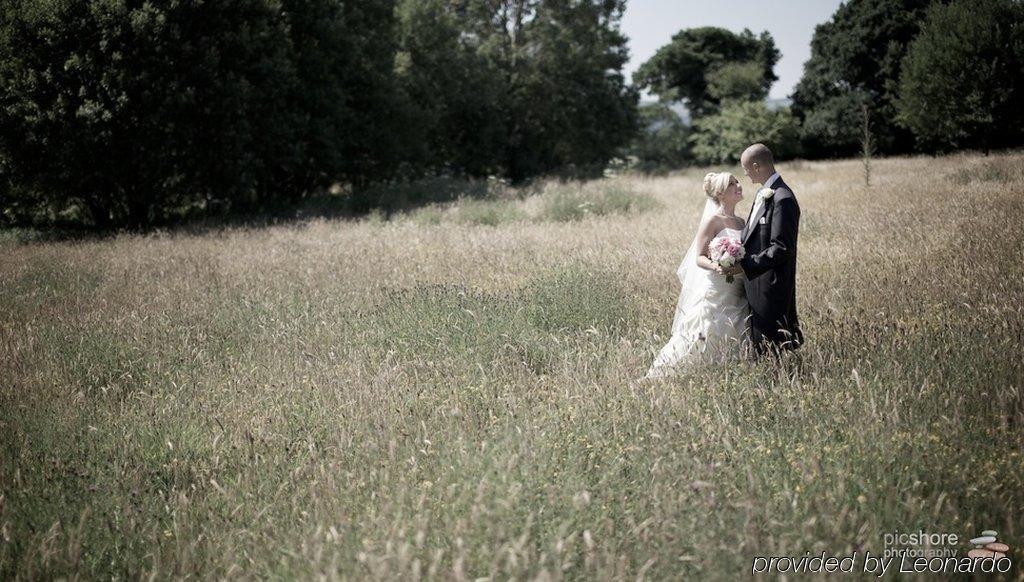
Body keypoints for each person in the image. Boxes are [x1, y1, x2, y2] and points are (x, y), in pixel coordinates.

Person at [645, 171, 750, 378]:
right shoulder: (712, 221)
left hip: (738, 288)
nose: (738, 186)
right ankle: (672, 372)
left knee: (737, 328)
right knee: (705, 329)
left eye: (737, 182)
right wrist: (717, 266)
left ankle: (726, 372)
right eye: (732, 184)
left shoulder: (742, 222)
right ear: (720, 193)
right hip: (717, 287)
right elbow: (699, 257)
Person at [720, 143, 804, 357]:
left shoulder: (782, 198)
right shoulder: (763, 194)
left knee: (772, 347)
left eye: (746, 168)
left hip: (771, 285)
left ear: (756, 166)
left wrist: (744, 266)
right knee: (760, 346)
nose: (745, 174)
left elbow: (782, 248)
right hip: (756, 285)